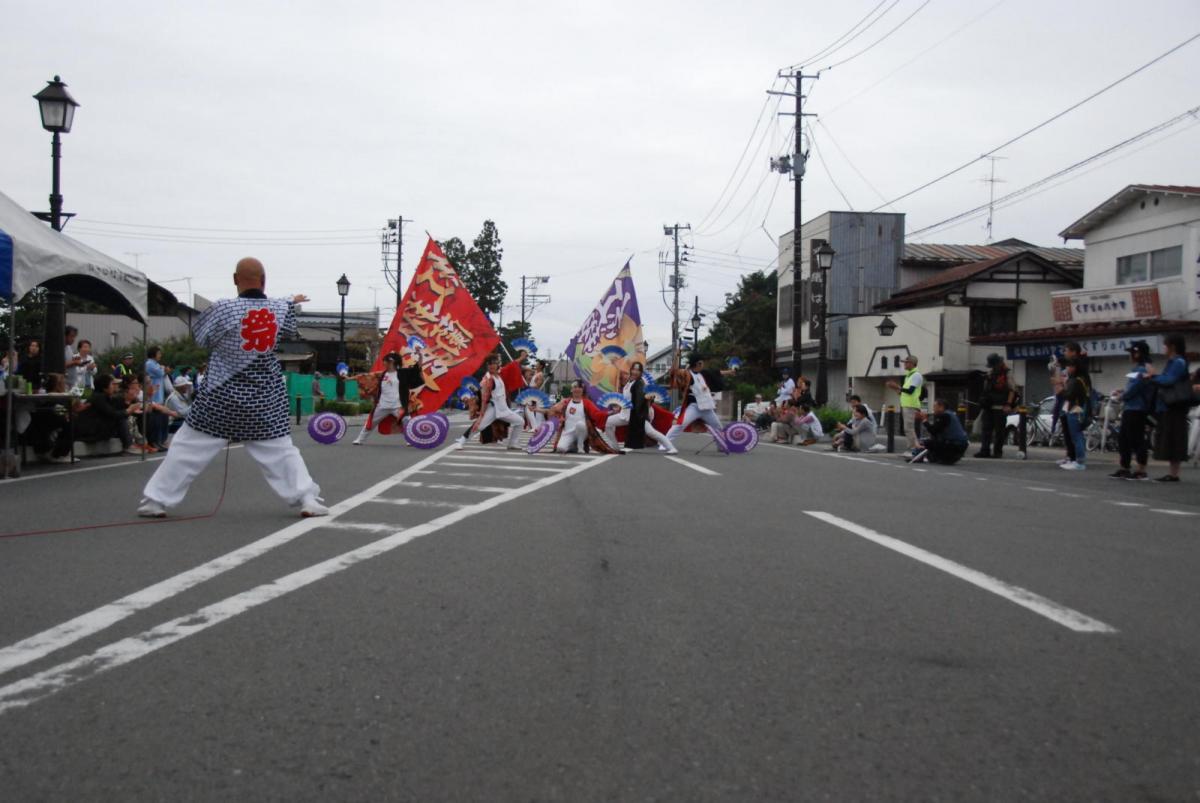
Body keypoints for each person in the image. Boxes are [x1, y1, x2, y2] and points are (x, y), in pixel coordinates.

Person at [138, 257, 326, 517]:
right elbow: (288, 330)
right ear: (264, 280)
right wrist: (290, 300)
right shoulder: (280, 309)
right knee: (281, 451)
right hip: (264, 397)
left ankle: (155, 501)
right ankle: (307, 499)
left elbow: (202, 339)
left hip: (220, 395)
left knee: (187, 448)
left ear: (235, 279)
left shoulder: (222, 308)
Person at [1144, 333, 1193, 482]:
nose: (1164, 348)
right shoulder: (1174, 361)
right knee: (1170, 437)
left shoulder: (1178, 362)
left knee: (1174, 437)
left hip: (1174, 405)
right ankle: (1172, 473)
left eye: (1165, 345)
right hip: (1169, 405)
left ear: (1172, 346)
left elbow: (1169, 380)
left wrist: (1153, 376)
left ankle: (1174, 473)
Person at [454, 354, 524, 450]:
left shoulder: (498, 375)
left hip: (503, 409)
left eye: (494, 363)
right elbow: (480, 392)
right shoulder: (487, 379)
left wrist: (521, 360)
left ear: (497, 364)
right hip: (493, 408)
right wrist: (471, 399)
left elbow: (510, 367)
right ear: (487, 366)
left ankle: (513, 443)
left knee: (520, 421)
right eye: (489, 364)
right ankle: (461, 441)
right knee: (479, 426)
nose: (491, 365)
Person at [602, 361, 676, 453]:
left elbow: (640, 399)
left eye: (638, 370)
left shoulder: (639, 383)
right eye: (633, 369)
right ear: (631, 370)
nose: (635, 372)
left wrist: (645, 401)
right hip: (625, 415)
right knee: (608, 423)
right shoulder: (630, 382)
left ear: (641, 372)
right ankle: (615, 447)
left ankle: (671, 447)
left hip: (636, 416)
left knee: (651, 432)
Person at [353, 352, 422, 445]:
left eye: (385, 361)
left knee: (407, 421)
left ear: (392, 362)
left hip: (398, 406)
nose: (384, 363)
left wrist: (420, 355)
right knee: (371, 422)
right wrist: (349, 377)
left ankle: (410, 440)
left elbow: (416, 369)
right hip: (382, 405)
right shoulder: (382, 374)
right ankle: (359, 439)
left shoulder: (402, 373)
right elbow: (366, 376)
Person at [1109, 340, 1154, 480]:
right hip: (1132, 408)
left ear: (1138, 353)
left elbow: (1134, 389)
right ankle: (1125, 467)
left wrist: (1121, 396)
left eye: (1131, 352)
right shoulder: (1139, 369)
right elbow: (1132, 388)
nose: (1130, 355)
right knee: (1125, 439)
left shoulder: (1142, 369)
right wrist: (1121, 391)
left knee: (1136, 439)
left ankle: (1140, 470)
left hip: (1136, 409)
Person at [665, 354, 729, 448]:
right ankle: (664, 443)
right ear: (698, 363)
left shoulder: (703, 374)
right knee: (680, 424)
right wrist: (676, 358)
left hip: (707, 408)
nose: (703, 364)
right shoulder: (687, 374)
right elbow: (673, 372)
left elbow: (717, 372)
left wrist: (730, 372)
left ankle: (722, 446)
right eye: (702, 362)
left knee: (718, 427)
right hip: (694, 407)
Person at [75, 375, 139, 455]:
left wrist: (127, 404)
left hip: (97, 427)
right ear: (104, 387)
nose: (115, 386)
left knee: (121, 417)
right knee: (120, 419)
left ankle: (131, 443)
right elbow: (112, 414)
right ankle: (128, 445)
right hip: (91, 431)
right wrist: (128, 410)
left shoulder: (106, 396)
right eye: (112, 384)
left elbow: (117, 410)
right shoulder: (99, 397)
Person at [974, 353, 1018, 459]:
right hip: (989, 406)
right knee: (986, 429)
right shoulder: (990, 374)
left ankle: (997, 452)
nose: (993, 367)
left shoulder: (1007, 373)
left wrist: (1008, 404)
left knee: (999, 431)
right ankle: (985, 450)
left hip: (1001, 407)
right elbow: (986, 390)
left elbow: (1012, 390)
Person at [886, 355, 924, 452]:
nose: (904, 364)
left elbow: (910, 391)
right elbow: (904, 392)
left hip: (911, 405)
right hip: (907, 404)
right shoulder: (909, 376)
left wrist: (897, 386)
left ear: (912, 363)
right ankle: (913, 447)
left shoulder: (916, 375)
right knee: (908, 428)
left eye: (906, 362)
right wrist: (895, 388)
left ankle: (914, 448)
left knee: (909, 427)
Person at [1059, 357, 1091, 471]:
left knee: (1076, 435)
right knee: (1077, 435)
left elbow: (1069, 395)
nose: (1068, 368)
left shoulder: (1076, 380)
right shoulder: (1080, 379)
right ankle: (1078, 460)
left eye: (1070, 366)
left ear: (1075, 367)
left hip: (1075, 409)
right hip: (1078, 409)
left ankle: (1079, 461)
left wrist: (1062, 389)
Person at [913, 399, 969, 464]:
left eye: (935, 406)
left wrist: (924, 420)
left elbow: (933, 431)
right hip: (960, 445)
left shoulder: (944, 416)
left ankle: (919, 457)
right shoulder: (951, 414)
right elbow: (937, 432)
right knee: (933, 441)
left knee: (924, 442)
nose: (933, 409)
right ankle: (941, 457)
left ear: (941, 407)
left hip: (953, 445)